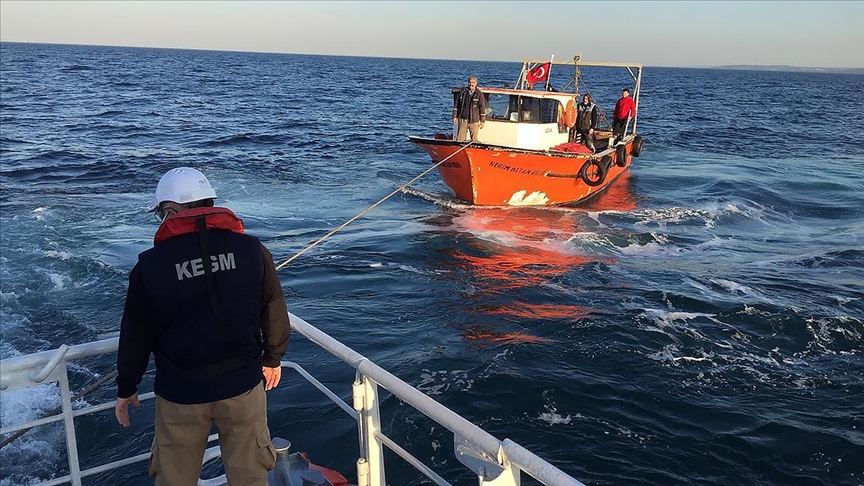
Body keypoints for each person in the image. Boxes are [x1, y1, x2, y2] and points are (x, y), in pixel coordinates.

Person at [114, 167, 291, 486]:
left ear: (170, 211)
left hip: (180, 394)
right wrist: (272, 358)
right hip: (243, 388)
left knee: (175, 479)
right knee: (251, 477)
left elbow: (135, 336)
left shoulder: (149, 267)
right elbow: (275, 311)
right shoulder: (253, 250)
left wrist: (127, 387)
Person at [452, 76, 487, 142]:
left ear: (476, 83)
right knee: (460, 139)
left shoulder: (479, 94)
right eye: (469, 82)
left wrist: (482, 121)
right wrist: (454, 116)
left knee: (474, 140)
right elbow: (456, 105)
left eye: (473, 82)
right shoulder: (462, 92)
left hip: (474, 120)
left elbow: (482, 108)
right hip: (463, 119)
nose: (471, 84)